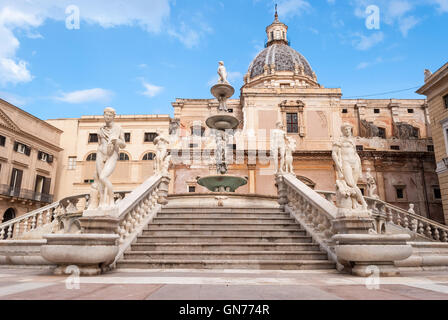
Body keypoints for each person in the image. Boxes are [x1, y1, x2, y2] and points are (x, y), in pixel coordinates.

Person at [89, 107, 126, 210]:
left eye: (110, 115)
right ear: (103, 115)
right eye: (106, 115)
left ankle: (111, 200)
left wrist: (117, 141)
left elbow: (123, 145)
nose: (108, 117)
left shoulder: (118, 128)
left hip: (112, 154)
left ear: (113, 117)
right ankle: (101, 202)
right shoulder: (100, 129)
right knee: (100, 179)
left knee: (103, 177)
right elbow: (100, 143)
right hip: (100, 153)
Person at [332, 123, 368, 210]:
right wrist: (338, 166)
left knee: (353, 185)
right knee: (351, 184)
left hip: (355, 162)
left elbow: (356, 154)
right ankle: (363, 202)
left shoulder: (352, 140)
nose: (348, 131)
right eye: (346, 129)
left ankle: (354, 203)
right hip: (345, 162)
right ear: (343, 131)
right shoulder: (339, 140)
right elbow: (334, 154)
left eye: (349, 129)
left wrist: (360, 168)